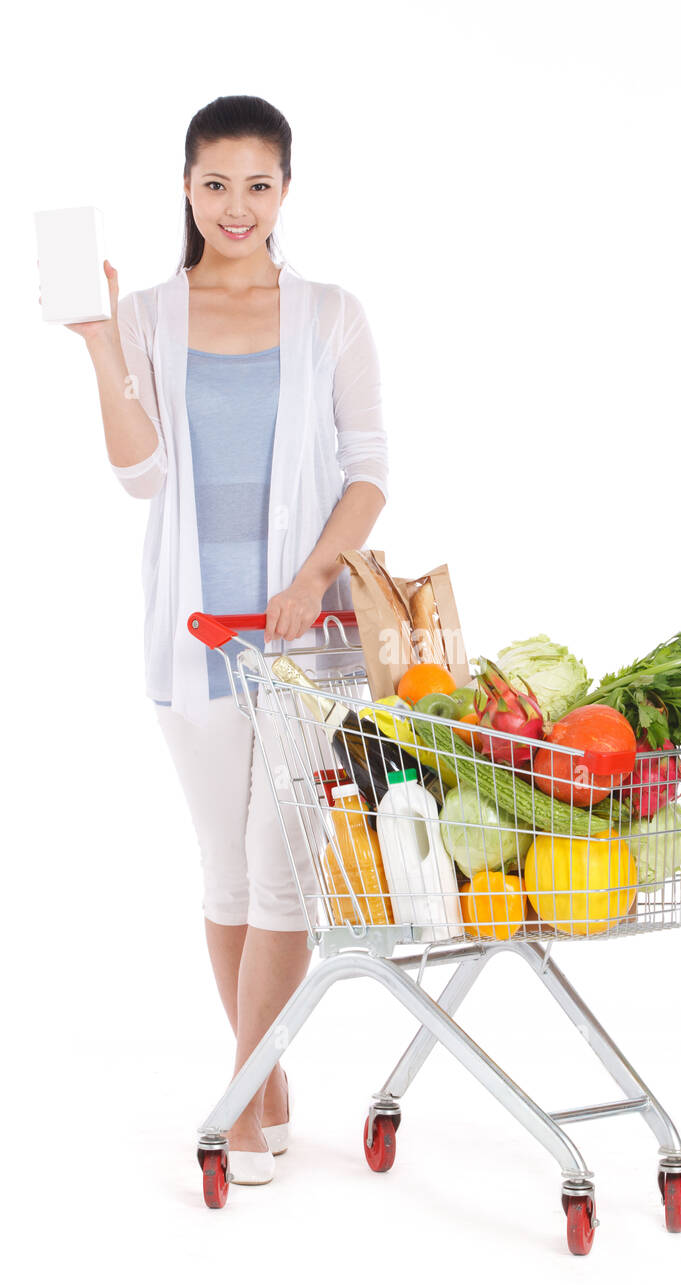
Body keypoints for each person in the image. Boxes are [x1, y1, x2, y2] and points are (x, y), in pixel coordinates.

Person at [58, 95, 388, 1185]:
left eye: (257, 184)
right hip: (194, 630)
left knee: (285, 874)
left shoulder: (331, 312)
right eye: (214, 184)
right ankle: (268, 1074)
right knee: (225, 875)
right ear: (186, 188)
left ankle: (243, 1096)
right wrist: (103, 348)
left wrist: (311, 577)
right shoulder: (152, 311)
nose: (235, 207)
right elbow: (139, 473)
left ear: (285, 190)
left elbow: (367, 469)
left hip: (305, 639)